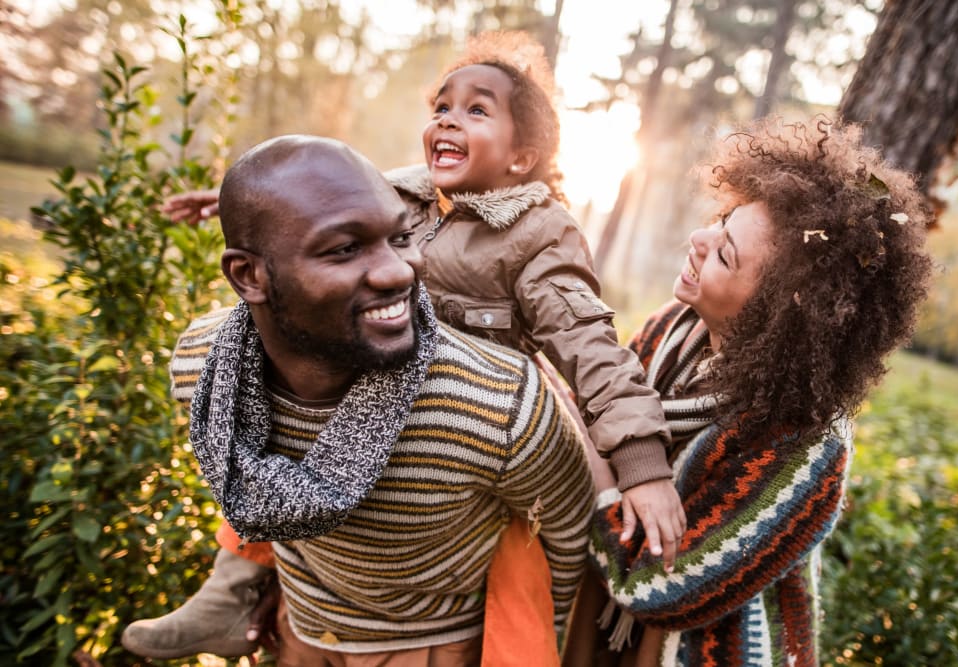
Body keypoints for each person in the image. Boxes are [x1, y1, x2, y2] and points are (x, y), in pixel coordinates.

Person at [124, 31, 683, 661]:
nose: (448, 119)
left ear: (522, 156)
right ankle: (228, 590)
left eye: (477, 110)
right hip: (368, 370)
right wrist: (235, 206)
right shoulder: (405, 193)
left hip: (462, 403)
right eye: (442, 107)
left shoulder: (539, 233)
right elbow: (306, 206)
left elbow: (591, 345)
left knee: (547, 515)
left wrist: (641, 461)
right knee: (263, 419)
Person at [128, 134, 594, 666]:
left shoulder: (497, 402)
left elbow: (565, 535)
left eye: (400, 238)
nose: (399, 271)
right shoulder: (204, 365)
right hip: (299, 632)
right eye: (345, 248)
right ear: (248, 275)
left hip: (426, 648)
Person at [561, 117, 934, 667]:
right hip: (605, 641)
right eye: (722, 222)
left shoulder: (804, 447)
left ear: (774, 318)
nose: (699, 239)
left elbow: (659, 588)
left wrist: (599, 470)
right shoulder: (673, 328)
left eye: (725, 254)